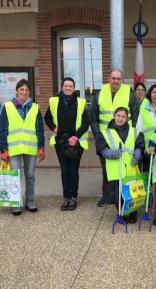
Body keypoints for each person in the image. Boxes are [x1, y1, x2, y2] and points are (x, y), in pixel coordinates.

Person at [89, 69, 139, 207]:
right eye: (113, 78)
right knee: (106, 169)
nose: (116, 81)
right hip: (105, 138)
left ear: (121, 79)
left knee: (126, 169)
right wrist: (97, 135)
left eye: (118, 78)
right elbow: (93, 116)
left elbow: (136, 115)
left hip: (124, 137)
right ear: (108, 78)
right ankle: (106, 196)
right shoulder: (100, 93)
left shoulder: (129, 93)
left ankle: (125, 197)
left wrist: (134, 136)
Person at [0, 79, 45, 216]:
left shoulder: (34, 107)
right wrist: (3, 149)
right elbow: (2, 129)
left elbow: (39, 129)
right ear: (17, 91)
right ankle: (16, 203)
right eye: (21, 89)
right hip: (13, 149)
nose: (24, 92)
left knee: (30, 175)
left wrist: (41, 147)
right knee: (15, 176)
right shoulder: (8, 106)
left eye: (26, 90)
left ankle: (30, 201)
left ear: (29, 92)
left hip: (31, 148)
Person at [44, 77, 89, 211]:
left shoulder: (81, 102)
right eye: (66, 86)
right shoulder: (54, 101)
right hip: (61, 142)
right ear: (62, 87)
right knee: (64, 171)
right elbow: (47, 117)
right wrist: (53, 128)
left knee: (73, 170)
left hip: (76, 142)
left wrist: (76, 136)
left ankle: (74, 197)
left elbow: (86, 122)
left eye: (70, 86)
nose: (68, 88)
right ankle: (66, 198)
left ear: (74, 88)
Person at [96, 107, 145, 223]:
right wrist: (108, 153)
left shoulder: (135, 131)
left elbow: (140, 145)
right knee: (118, 194)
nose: (120, 118)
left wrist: (137, 154)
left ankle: (133, 214)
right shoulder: (105, 133)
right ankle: (121, 213)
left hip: (131, 167)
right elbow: (101, 147)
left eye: (123, 116)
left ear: (127, 118)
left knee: (133, 193)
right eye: (118, 116)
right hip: (116, 169)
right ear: (114, 116)